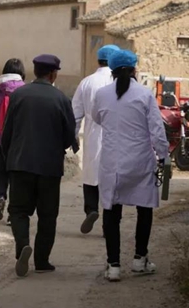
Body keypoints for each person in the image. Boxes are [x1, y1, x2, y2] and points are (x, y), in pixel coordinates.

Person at [91, 49, 170, 282]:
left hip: (111, 163)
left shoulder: (102, 94)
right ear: (135, 69)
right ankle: (139, 259)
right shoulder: (145, 95)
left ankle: (113, 265)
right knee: (144, 208)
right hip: (140, 161)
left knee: (111, 211)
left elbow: (97, 118)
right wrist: (164, 157)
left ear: (112, 71)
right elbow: (157, 130)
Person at [1, 54, 78, 277]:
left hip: (20, 164)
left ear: (35, 72)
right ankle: (42, 261)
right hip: (49, 167)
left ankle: (23, 246)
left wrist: (9, 158)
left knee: (18, 211)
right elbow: (69, 136)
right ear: (53, 74)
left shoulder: (19, 95)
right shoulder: (61, 99)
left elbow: (7, 133)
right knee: (47, 215)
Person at [72, 44, 120, 235]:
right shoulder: (119, 83)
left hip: (92, 136)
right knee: (112, 181)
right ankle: (110, 223)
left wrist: (74, 136)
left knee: (91, 175)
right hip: (116, 138)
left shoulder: (87, 82)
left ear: (98, 60)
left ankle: (91, 209)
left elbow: (75, 113)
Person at [0, 58, 26, 225]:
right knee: (16, 174)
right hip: (18, 141)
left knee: (1, 171)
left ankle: (1, 197)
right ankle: (12, 214)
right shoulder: (25, 90)